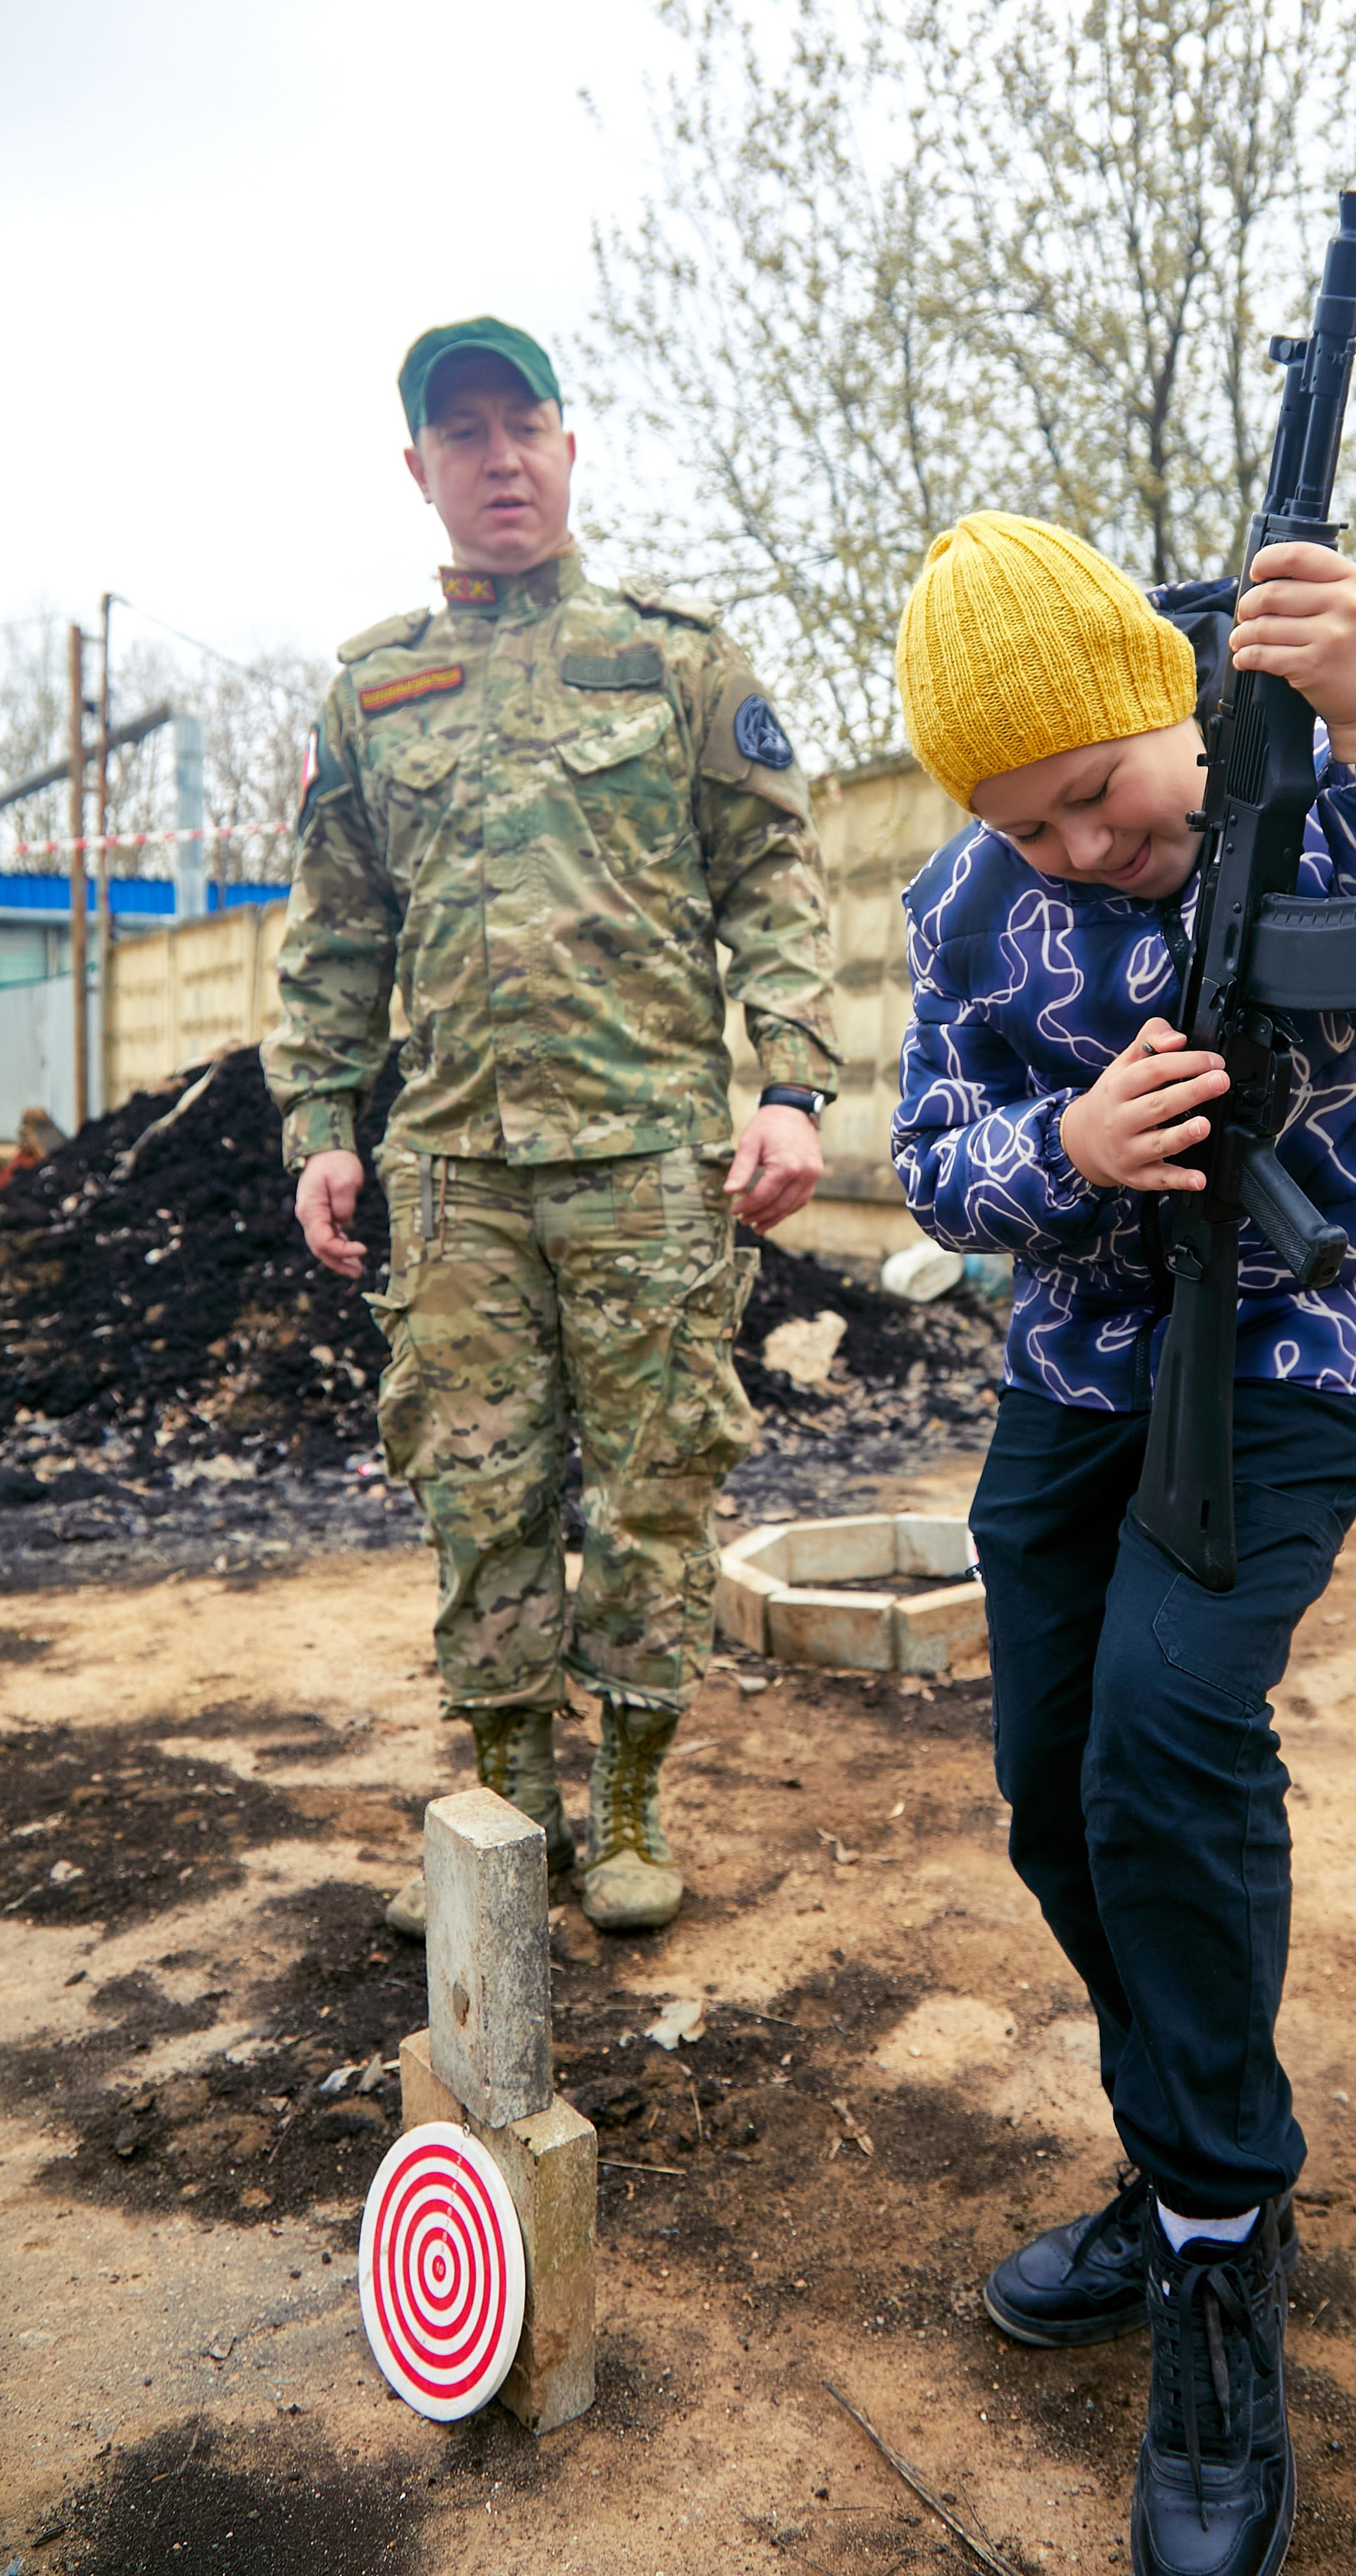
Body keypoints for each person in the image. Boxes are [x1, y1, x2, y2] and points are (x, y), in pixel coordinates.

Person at [889, 513, 1356, 2576]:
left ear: (1159, 711)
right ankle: (1176, 2153)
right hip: (1080, 1365)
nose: (1076, 850)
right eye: (1030, 826)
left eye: (1095, 794)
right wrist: (1055, 1153)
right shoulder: (970, 900)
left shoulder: (1319, 768)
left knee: (1168, 1744)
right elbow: (927, 1152)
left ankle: (1217, 2252)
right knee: (1052, 1796)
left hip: (1298, 1345)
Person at [265, 317, 837, 1935]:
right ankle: (513, 1798)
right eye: (464, 436)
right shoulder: (376, 689)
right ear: (419, 470)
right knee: (477, 1486)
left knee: (655, 1483)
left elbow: (775, 891)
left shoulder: (676, 661)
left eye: (523, 426)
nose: (498, 459)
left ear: (568, 446)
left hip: (649, 1156)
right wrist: (322, 1121)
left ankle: (634, 1799)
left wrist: (789, 1087)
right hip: (447, 1166)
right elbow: (333, 936)